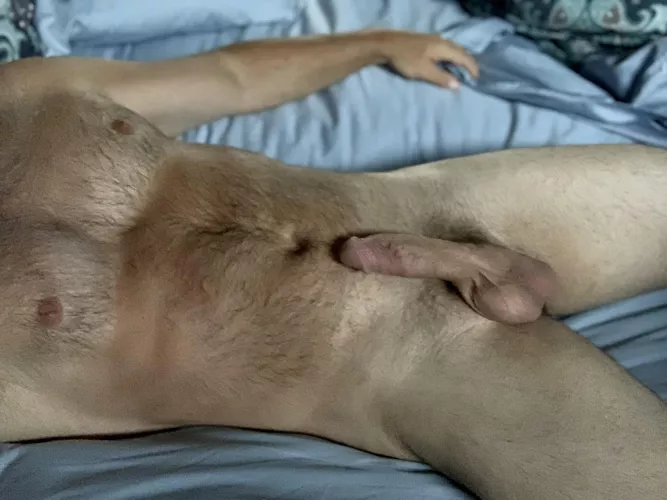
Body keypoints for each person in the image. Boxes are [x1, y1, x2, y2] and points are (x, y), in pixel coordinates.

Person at [0, 30, 665, 500]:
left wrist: (376, 44)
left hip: (447, 208)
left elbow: (231, 77)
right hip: (416, 369)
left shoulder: (23, 93)